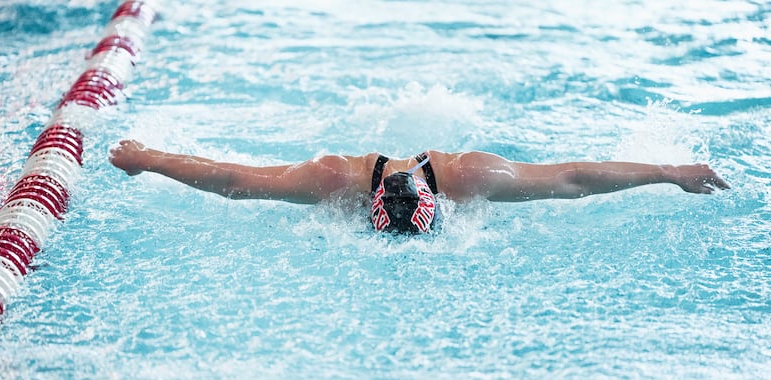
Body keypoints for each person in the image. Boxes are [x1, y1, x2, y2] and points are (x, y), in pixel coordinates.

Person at [109, 139, 730, 234]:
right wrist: (147, 157)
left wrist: (672, 174)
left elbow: (570, 179)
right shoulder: (335, 182)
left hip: (447, 170)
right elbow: (236, 181)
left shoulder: (473, 177)